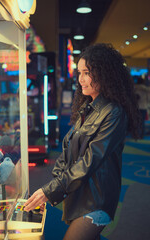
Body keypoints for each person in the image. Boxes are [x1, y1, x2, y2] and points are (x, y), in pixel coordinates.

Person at [24, 43, 142, 240]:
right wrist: (55, 184)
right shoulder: (87, 108)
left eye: (86, 72)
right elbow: (68, 150)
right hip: (78, 195)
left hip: (96, 200)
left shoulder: (114, 113)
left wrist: (50, 191)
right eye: (79, 73)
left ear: (104, 74)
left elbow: (89, 161)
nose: (80, 80)